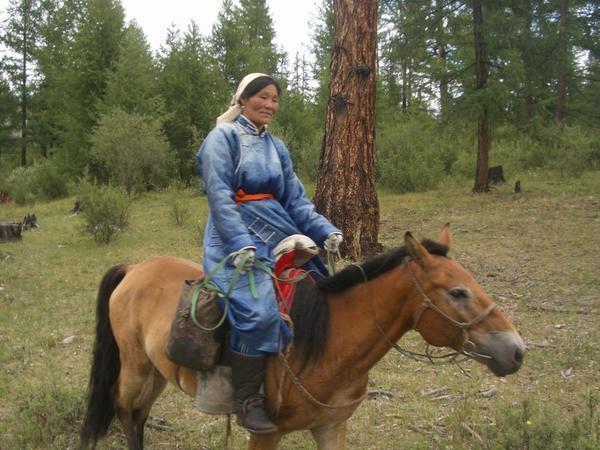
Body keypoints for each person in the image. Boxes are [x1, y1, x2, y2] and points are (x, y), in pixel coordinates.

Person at [196, 73, 343, 434]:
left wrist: (326, 231)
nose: (269, 105)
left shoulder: (277, 147)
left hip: (278, 231)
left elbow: (295, 201)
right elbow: (219, 195)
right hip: (233, 238)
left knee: (321, 291)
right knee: (258, 310)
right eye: (262, 97)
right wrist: (239, 244)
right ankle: (249, 399)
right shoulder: (222, 138)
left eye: (274, 99)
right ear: (243, 99)